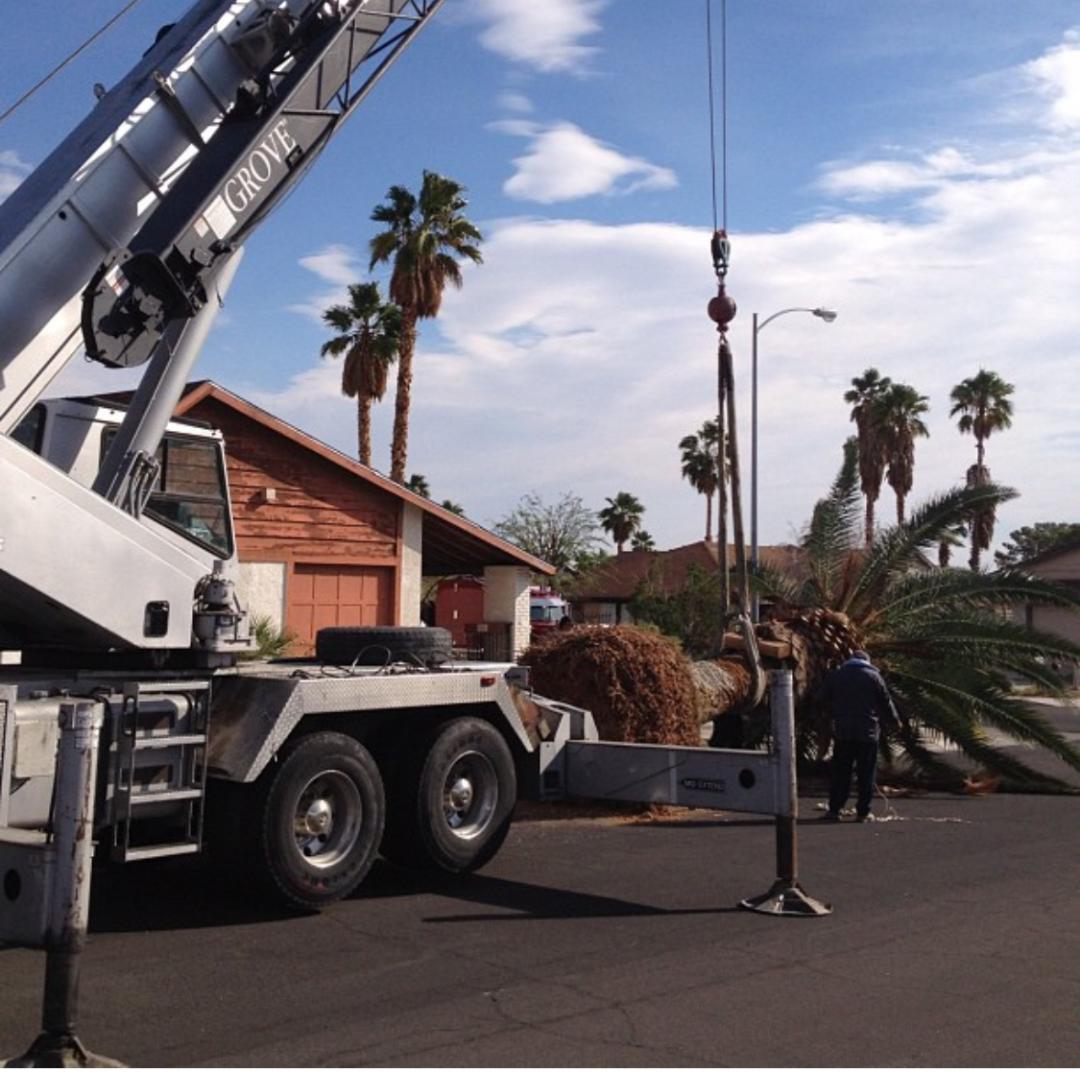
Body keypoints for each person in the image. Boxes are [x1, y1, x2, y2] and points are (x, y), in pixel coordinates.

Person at [822, 649, 898, 822]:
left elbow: (821, 697)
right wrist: (895, 721)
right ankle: (863, 812)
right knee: (866, 774)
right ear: (867, 662)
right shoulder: (874, 677)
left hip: (844, 733)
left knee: (841, 773)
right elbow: (886, 702)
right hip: (868, 734)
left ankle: (834, 810)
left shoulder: (837, 675)